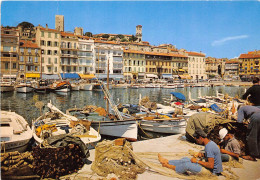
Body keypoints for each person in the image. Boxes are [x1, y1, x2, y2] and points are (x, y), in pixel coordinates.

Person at [158, 128, 223, 175]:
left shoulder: (209, 147)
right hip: (210, 169)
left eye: (196, 139)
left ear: (200, 137)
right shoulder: (210, 143)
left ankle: (170, 166)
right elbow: (211, 156)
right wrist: (203, 155)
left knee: (187, 165)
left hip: (212, 172)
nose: (197, 141)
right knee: (186, 159)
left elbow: (211, 165)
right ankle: (167, 161)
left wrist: (197, 161)